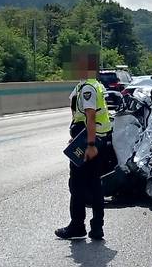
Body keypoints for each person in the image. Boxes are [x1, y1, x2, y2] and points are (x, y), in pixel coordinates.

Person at [55, 48, 112, 240]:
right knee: (94, 184)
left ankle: (77, 226)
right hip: (89, 138)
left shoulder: (88, 88)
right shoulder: (91, 85)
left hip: (90, 140)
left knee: (77, 185)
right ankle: (97, 227)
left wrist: (89, 144)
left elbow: (90, 116)